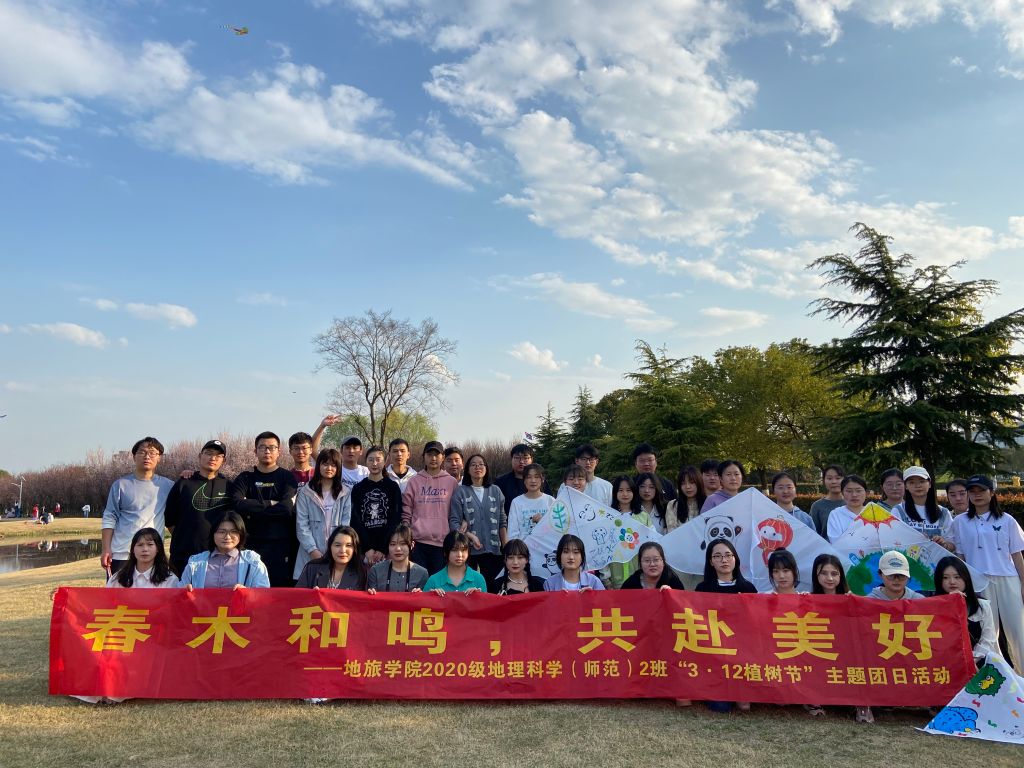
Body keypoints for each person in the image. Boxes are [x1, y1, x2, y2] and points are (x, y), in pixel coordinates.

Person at [951, 475, 1024, 673]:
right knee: (989, 633)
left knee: (1018, 630)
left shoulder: (1006, 520)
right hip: (978, 581)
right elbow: (960, 556)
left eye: (981, 491)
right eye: (972, 491)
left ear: (991, 493)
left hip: (1008, 579)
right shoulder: (960, 522)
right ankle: (999, 678)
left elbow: (1017, 555)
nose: (977, 495)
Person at [230, 431, 299, 587]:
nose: (267, 451)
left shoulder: (287, 478)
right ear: (255, 451)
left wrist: (251, 506)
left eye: (272, 447)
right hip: (250, 545)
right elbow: (237, 504)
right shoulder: (245, 477)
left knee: (278, 594)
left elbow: (286, 509)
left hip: (280, 546)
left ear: (278, 452)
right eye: (262, 447)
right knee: (250, 592)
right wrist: (271, 503)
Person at [101, 436, 174, 576]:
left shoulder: (168, 486)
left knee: (155, 590)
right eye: (142, 452)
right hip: (122, 554)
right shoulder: (120, 485)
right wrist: (106, 549)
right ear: (134, 456)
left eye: (152, 453)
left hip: (153, 554)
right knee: (119, 591)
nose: (147, 456)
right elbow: (109, 517)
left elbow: (174, 518)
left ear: (159, 458)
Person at [696, 538, 755, 713]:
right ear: (711, 561)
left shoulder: (748, 588)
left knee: (744, 706)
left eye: (728, 555)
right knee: (721, 707)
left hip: (742, 654)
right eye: (718, 556)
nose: (724, 560)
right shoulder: (703, 589)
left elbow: (757, 622)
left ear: (735, 558)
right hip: (713, 654)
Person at [166, 439, 233, 577]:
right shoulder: (183, 483)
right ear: (200, 456)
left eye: (218, 455)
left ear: (224, 460)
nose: (213, 458)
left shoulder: (229, 487)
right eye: (208, 453)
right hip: (183, 557)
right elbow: (170, 520)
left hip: (217, 557)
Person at [294, 448, 351, 581]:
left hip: (336, 554)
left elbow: (345, 525)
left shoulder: (345, 493)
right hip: (309, 554)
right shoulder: (305, 492)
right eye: (325, 464)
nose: (329, 468)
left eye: (333, 465)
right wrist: (313, 550)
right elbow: (302, 525)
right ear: (318, 465)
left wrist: (336, 549)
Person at [449, 453, 506, 584]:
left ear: (486, 468)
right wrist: (470, 536)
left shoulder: (495, 491)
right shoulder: (460, 492)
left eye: (481, 464)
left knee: (493, 586)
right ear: (467, 470)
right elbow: (454, 522)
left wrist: (506, 545)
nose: (477, 467)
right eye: (473, 465)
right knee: (468, 586)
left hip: (493, 549)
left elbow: (502, 521)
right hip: (467, 550)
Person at [402, 440, 458, 573]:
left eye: (437, 455)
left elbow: (456, 511)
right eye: (429, 455)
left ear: (442, 457)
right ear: (424, 457)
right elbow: (407, 509)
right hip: (418, 543)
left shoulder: (451, 482)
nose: (433, 458)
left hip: (442, 543)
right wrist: (407, 532)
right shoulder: (414, 481)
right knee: (419, 582)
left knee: (438, 583)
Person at [933, 556, 997, 667]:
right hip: (948, 666)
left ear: (966, 578)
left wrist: (972, 660)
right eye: (945, 578)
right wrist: (950, 603)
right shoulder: (933, 607)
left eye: (957, 577)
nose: (952, 582)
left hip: (979, 662)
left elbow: (988, 639)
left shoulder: (982, 606)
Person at [180, 511, 271, 588]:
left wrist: (248, 593)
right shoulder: (195, 562)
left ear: (241, 534)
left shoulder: (253, 562)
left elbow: (264, 596)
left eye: (234, 532)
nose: (227, 537)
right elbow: (179, 591)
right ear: (213, 534)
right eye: (221, 532)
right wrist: (183, 592)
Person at [350, 445, 403, 567]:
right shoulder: (358, 488)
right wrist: (367, 548)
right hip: (364, 550)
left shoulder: (392, 487)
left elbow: (395, 518)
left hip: (387, 548)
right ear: (366, 461)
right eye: (371, 460)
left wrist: (383, 548)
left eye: (378, 460)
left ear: (385, 461)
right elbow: (355, 519)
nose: (374, 463)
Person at [606, 475, 653, 588]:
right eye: (621, 490)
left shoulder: (643, 516)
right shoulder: (608, 517)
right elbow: (603, 548)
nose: (625, 494)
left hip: (640, 575)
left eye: (628, 490)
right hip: (615, 576)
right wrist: (606, 578)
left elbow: (652, 542)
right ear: (615, 493)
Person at [892, 466, 954, 549]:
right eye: (912, 482)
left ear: (929, 484)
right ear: (906, 486)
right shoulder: (898, 511)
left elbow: (953, 544)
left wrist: (944, 544)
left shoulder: (943, 512)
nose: (918, 486)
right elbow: (892, 540)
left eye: (922, 481)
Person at [296, 525, 367, 589]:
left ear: (355, 549)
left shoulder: (361, 573)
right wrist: (312, 595)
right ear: (330, 547)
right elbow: (298, 596)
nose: (342, 550)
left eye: (348, 545)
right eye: (337, 545)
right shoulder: (312, 568)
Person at [108, 527, 179, 588]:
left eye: (150, 544)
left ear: (158, 548)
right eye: (140, 545)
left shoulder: (170, 580)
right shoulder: (118, 578)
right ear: (132, 549)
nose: (145, 549)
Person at [367, 523, 428, 593]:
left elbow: (426, 599)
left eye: (403, 544)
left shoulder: (422, 573)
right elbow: (369, 598)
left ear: (412, 545)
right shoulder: (376, 571)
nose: (398, 549)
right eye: (393, 544)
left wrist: (420, 595)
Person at [496, 443, 550, 514]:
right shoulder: (501, 482)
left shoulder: (540, 482)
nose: (521, 461)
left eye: (525, 458)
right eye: (517, 458)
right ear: (511, 459)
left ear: (532, 459)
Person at [507, 463, 553, 540]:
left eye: (536, 477)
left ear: (542, 479)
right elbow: (512, 533)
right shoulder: (516, 502)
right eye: (529, 477)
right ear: (524, 480)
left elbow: (556, 530)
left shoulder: (550, 501)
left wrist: (542, 522)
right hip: (522, 547)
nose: (533, 480)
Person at [825, 475, 868, 544]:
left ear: (866, 493)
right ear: (842, 493)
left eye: (858, 491)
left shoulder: (874, 512)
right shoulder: (835, 515)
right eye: (849, 491)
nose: (854, 495)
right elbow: (836, 542)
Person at [665, 465, 705, 531]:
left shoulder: (708, 502)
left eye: (692, 482)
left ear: (699, 482)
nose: (687, 487)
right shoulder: (673, 505)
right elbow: (672, 531)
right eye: (683, 483)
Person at [810, 464, 845, 538]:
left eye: (838, 478)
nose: (834, 482)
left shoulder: (852, 503)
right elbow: (813, 534)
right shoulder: (817, 506)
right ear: (824, 481)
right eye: (829, 478)